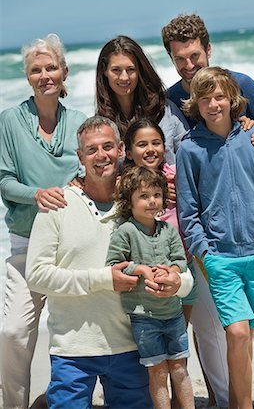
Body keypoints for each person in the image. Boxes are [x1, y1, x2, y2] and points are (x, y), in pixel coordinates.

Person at [161, 13, 254, 408]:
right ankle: (230, 397)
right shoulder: (171, 100)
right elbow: (175, 152)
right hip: (212, 237)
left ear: (208, 48)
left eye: (194, 55)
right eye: (179, 59)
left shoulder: (240, 84)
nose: (188, 65)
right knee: (218, 321)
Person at [25, 116, 194, 409]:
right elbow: (37, 276)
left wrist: (178, 284)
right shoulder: (57, 205)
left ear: (119, 150)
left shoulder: (136, 207)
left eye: (107, 147)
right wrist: (104, 279)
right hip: (73, 350)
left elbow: (180, 270)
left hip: (131, 348)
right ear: (80, 157)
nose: (100, 155)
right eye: (91, 150)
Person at [0, 33, 87, 409]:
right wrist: (36, 193)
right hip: (25, 246)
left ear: (64, 72)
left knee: (70, 336)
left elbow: (97, 173)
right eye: (36, 70)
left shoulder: (81, 122)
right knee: (13, 331)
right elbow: (4, 180)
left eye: (51, 67)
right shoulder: (9, 121)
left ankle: (55, 399)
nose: (45, 75)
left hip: (71, 248)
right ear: (28, 77)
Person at [105, 166, 194, 409]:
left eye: (156, 195)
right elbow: (113, 266)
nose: (152, 201)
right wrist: (140, 269)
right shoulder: (126, 231)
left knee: (179, 368)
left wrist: (172, 273)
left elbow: (180, 261)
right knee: (158, 372)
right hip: (143, 317)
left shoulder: (168, 230)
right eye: (144, 196)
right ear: (129, 201)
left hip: (173, 313)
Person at [123, 118, 200, 325]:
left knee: (179, 340)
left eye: (156, 143)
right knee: (151, 345)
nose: (150, 149)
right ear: (129, 153)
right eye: (142, 145)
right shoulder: (123, 185)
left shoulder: (176, 175)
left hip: (181, 267)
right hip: (144, 276)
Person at [95, 35, 189, 166]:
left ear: (140, 71)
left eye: (130, 69)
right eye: (116, 70)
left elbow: (188, 157)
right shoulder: (102, 123)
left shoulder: (165, 110)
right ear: (105, 71)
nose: (124, 77)